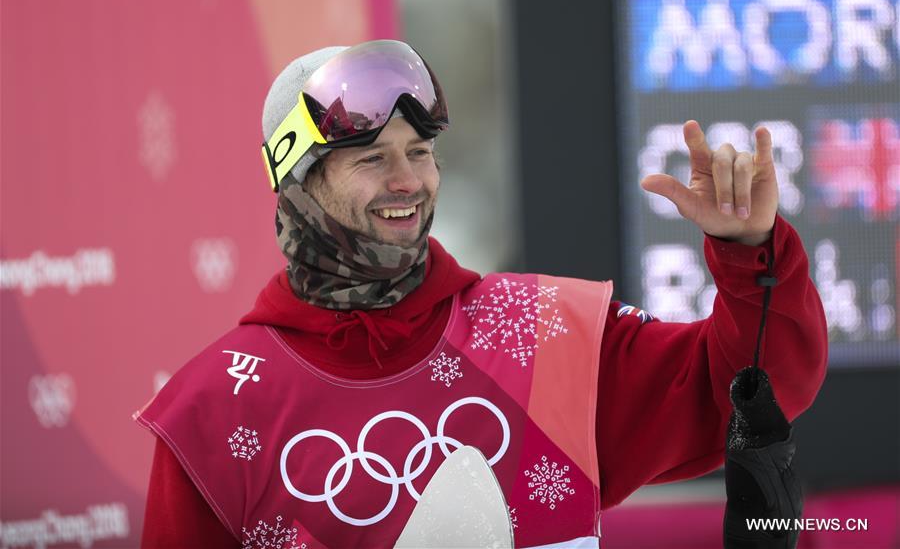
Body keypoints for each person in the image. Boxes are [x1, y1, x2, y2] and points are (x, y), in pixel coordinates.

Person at [136, 40, 827, 548]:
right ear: (299, 187)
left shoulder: (542, 333)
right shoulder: (216, 409)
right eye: (372, 157)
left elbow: (753, 392)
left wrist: (749, 253)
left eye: (419, 151)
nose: (407, 180)